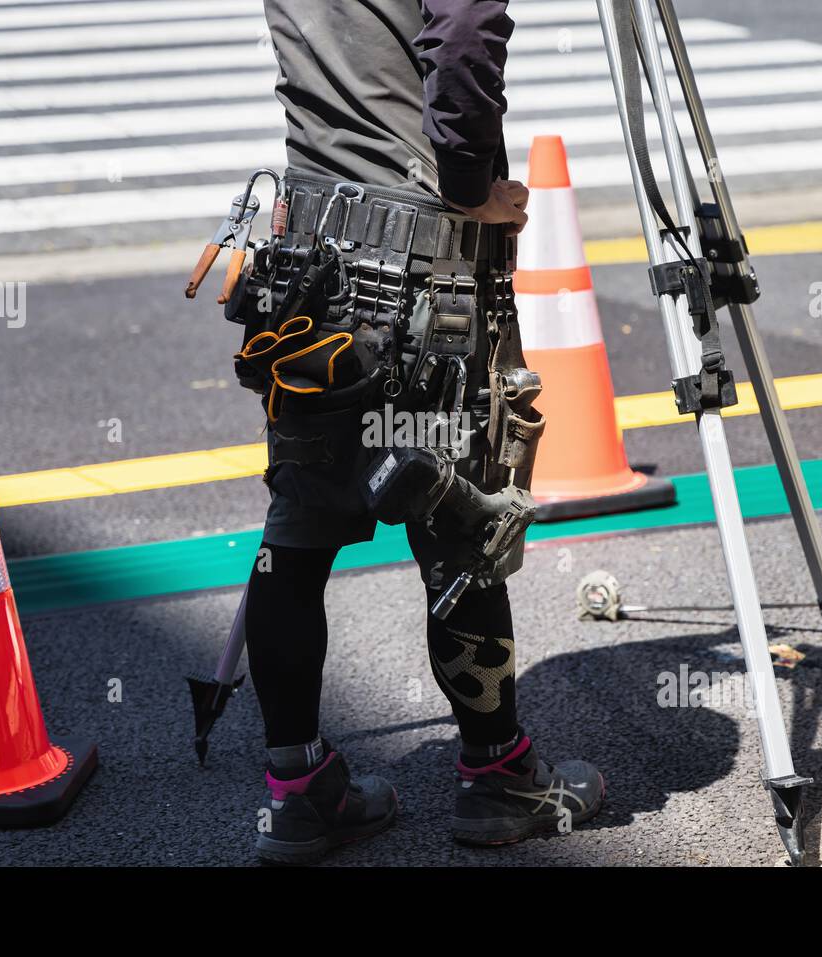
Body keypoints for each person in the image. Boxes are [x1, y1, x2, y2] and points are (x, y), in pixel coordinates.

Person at [227, 0, 604, 864]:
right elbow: (466, 35)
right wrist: (473, 190)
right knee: (457, 519)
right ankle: (498, 772)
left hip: (310, 244)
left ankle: (297, 790)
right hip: (423, 259)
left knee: (298, 530)